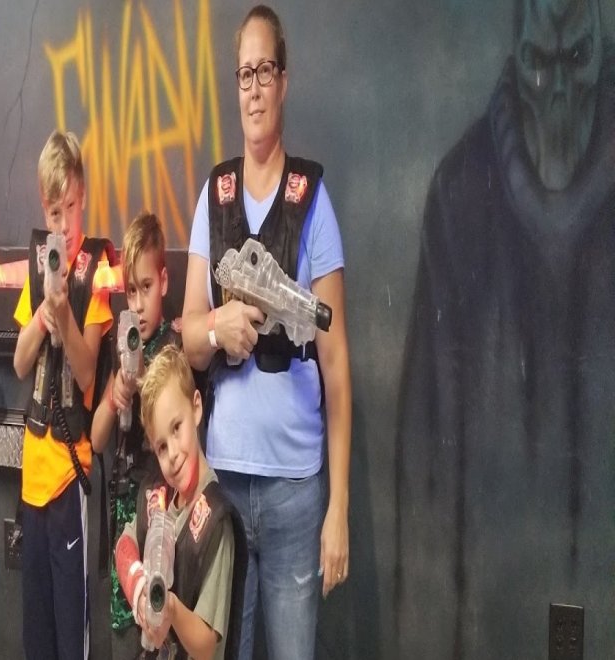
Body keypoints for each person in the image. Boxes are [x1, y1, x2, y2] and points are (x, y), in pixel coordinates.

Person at [396, 0, 615, 655]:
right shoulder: (460, 193)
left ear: (602, 57)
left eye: (576, 59)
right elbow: (427, 459)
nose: (558, 89)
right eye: (540, 63)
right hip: (491, 606)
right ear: (516, 66)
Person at [181, 5, 352, 657]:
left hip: (293, 493)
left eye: (264, 71)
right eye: (244, 73)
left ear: (283, 81)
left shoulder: (312, 202)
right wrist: (217, 326)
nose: (253, 88)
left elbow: (337, 367)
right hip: (222, 482)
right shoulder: (215, 195)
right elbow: (186, 335)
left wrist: (338, 508)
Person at [12, 129, 114, 660]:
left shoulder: (96, 272)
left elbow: (87, 368)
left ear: (84, 198)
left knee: (73, 636)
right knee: (39, 636)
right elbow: (19, 363)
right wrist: (41, 316)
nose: (65, 225)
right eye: (55, 212)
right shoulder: (38, 268)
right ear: (43, 209)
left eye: (72, 208)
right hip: (31, 481)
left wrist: (64, 315)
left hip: (70, 479)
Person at [114, 345, 246, 660]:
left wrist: (170, 607)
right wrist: (140, 589)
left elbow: (207, 645)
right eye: (161, 446)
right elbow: (124, 546)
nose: (172, 453)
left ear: (196, 408)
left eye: (177, 428)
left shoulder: (215, 520)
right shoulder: (157, 497)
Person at [90, 211, 180, 658]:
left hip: (159, 521)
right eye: (131, 291)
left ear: (163, 282)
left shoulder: (172, 349)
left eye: (146, 287)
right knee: (124, 643)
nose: (139, 304)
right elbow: (96, 439)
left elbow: (170, 434)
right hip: (123, 521)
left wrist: (142, 381)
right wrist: (115, 393)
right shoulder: (122, 342)